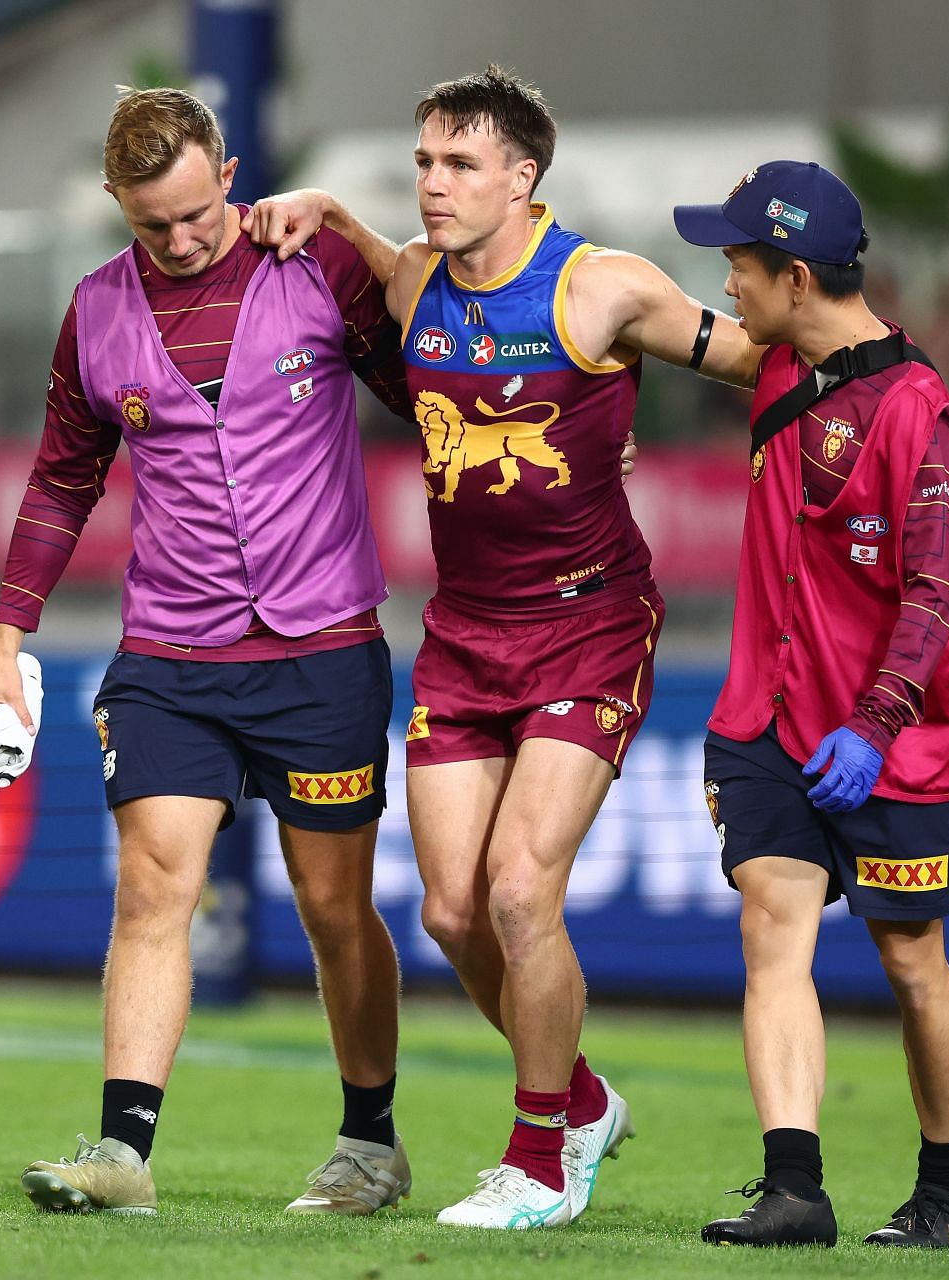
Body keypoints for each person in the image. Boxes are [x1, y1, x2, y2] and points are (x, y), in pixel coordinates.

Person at [247, 65, 763, 1230]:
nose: (435, 183)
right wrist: (324, 207)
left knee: (524, 890)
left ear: (522, 178)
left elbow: (761, 358)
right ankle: (582, 1099)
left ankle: (540, 1163)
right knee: (450, 912)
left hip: (589, 626)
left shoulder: (602, 287)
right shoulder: (420, 274)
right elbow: (377, 265)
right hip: (465, 636)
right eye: (425, 161)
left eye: (461, 164)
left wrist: (895, 397)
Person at [0, 87, 419, 1219]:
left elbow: (430, 397)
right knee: (154, 886)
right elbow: (63, 478)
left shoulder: (316, 266)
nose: (178, 240)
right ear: (117, 205)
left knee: (332, 904)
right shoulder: (95, 312)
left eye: (193, 213)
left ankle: (370, 1141)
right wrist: (3, 638)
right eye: (148, 224)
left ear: (227, 168)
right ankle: (123, 1150)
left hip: (323, 647)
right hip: (172, 650)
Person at [671, 161, 949, 1249]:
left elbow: (943, 590)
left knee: (913, 961)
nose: (727, 282)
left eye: (739, 265)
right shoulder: (779, 366)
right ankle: (794, 1187)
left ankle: (947, 1190)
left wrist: (874, 724)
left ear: (797, 275)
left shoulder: (918, 413)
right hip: (771, 718)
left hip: (899, 737)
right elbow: (648, 319)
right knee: (773, 930)